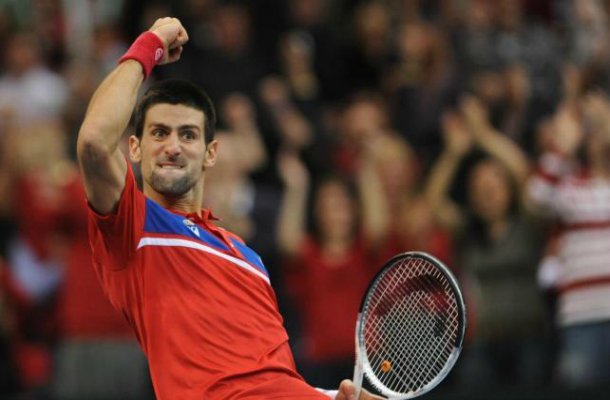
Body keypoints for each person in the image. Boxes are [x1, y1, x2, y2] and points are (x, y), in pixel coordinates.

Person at [76, 17, 381, 399]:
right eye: (159, 133)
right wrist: (148, 46)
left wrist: (332, 396)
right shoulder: (133, 226)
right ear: (134, 149)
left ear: (210, 154)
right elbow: (93, 142)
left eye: (188, 134)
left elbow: (272, 377)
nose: (173, 146)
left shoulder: (249, 259)